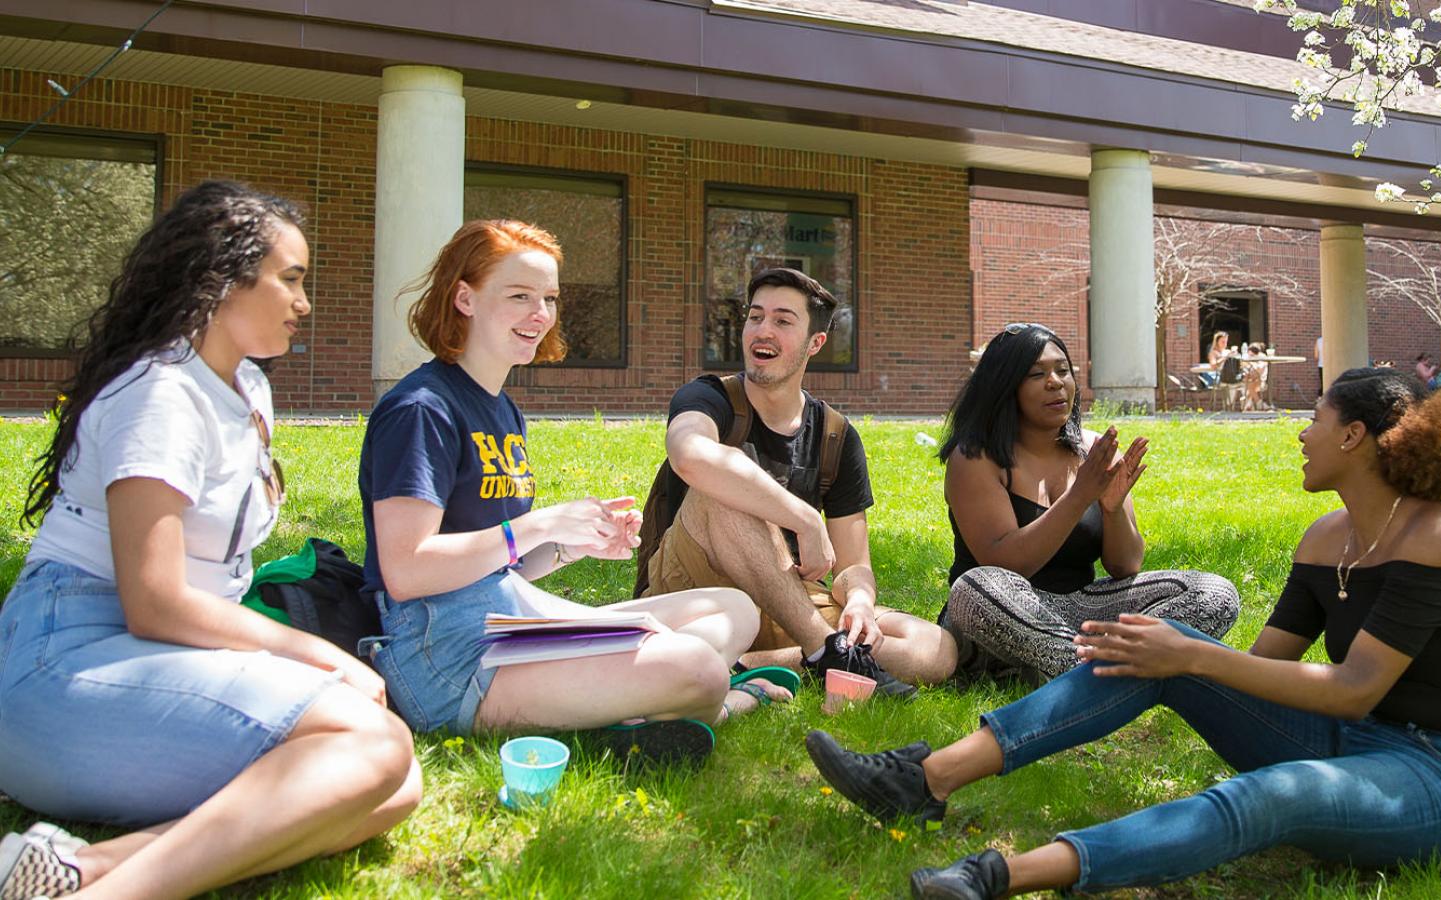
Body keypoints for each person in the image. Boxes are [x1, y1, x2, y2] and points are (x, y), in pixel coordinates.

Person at [808, 367, 1441, 899]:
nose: (1301, 433)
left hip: (1435, 774)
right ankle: (923, 778)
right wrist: (1174, 656)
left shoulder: (1435, 535)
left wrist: (1194, 653)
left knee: (1270, 795)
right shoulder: (1326, 538)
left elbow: (1353, 689)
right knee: (1156, 647)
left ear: (1352, 436)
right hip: (1339, 740)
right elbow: (1258, 668)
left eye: (1315, 418)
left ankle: (993, 877)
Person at [0, 181, 420, 900]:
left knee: (393, 783)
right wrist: (319, 655)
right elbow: (155, 602)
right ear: (220, 281)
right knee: (370, 747)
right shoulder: (160, 394)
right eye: (290, 279)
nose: (304, 303)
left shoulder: (247, 388)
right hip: (64, 667)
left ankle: (80, 870)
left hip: (165, 656)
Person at [358, 219, 774, 764]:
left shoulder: (502, 409)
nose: (540, 314)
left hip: (509, 617)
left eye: (549, 298)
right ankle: (704, 702)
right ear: (465, 298)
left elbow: (496, 567)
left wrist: (571, 546)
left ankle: (636, 707)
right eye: (520, 296)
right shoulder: (421, 410)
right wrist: (540, 524)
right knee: (696, 667)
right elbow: (407, 572)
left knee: (734, 608)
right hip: (448, 658)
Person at [640, 267, 957, 697]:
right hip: (694, 589)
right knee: (726, 486)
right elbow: (690, 455)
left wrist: (861, 599)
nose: (762, 331)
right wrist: (806, 519)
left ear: (815, 343)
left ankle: (740, 664)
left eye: (782, 321)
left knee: (934, 648)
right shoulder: (708, 398)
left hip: (784, 597)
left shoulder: (834, 435)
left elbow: (852, 564)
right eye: (755, 317)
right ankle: (827, 653)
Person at [937, 323, 1238, 683]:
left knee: (1212, 593)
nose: (1055, 382)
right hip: (1003, 611)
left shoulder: (1092, 450)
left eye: (1063, 370)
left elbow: (1126, 565)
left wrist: (1112, 510)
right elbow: (1004, 563)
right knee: (975, 588)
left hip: (1082, 607)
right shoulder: (974, 457)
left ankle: (1070, 665)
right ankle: (1099, 669)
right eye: (1036, 374)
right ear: (1005, 387)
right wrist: (1079, 496)